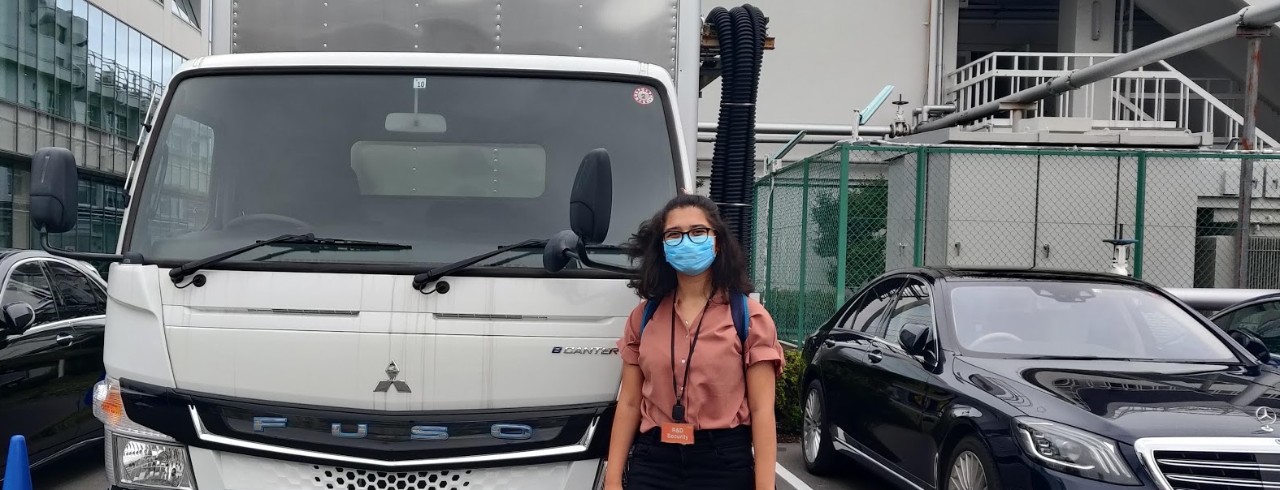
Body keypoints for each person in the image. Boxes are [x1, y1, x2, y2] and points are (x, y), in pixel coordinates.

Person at [604, 193, 784, 490]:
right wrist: (613, 479)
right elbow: (630, 402)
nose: (686, 241)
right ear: (662, 247)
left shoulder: (749, 317)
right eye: (674, 234)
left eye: (698, 232)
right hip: (654, 461)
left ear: (717, 241)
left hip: (721, 461)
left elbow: (763, 410)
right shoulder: (643, 317)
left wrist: (765, 486)